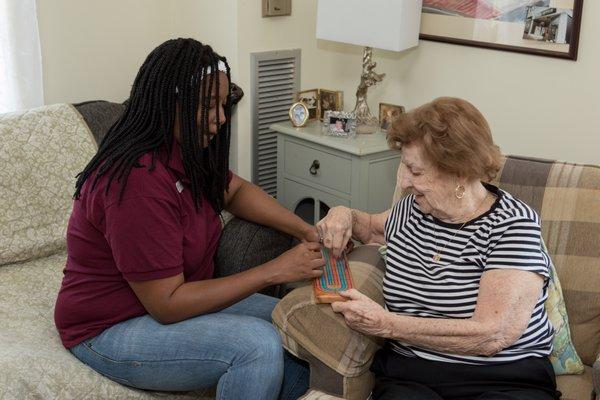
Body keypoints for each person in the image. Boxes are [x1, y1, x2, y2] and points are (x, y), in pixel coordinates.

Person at [54, 38, 324, 400]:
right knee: (255, 345)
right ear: (171, 103)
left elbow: (235, 191)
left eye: (224, 104)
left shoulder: (185, 150)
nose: (222, 118)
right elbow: (167, 304)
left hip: (168, 305)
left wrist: (306, 229)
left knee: (293, 317)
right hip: (108, 328)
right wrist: (276, 269)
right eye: (208, 106)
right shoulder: (137, 182)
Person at [316, 97, 560, 400]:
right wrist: (344, 214)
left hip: (504, 379)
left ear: (459, 173)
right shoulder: (412, 211)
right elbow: (369, 227)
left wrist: (388, 324)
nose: (404, 182)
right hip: (412, 376)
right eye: (404, 166)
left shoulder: (512, 225)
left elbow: (492, 334)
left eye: (415, 172)